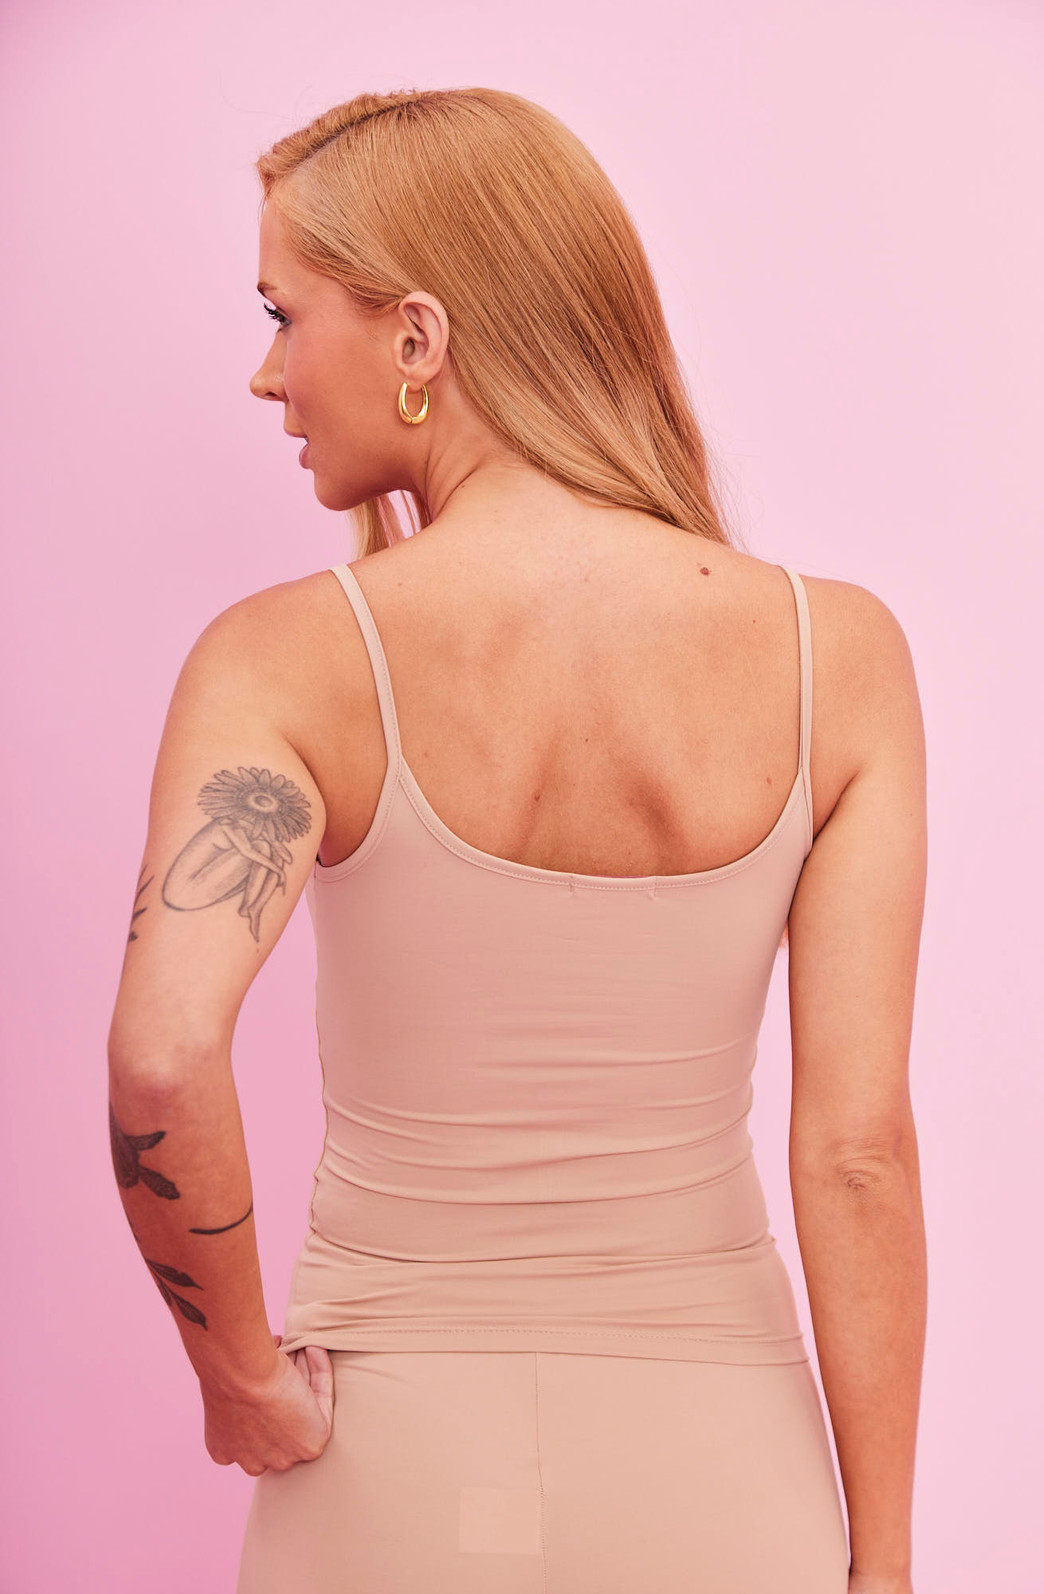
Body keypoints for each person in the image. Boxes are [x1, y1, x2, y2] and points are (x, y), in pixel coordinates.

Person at [106, 86, 927, 1594]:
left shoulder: (284, 660)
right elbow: (857, 1156)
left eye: (286, 315)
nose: (268, 374)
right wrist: (881, 1565)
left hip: (389, 1474)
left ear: (419, 339)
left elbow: (161, 1057)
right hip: (723, 1477)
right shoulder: (838, 657)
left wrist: (240, 1380)